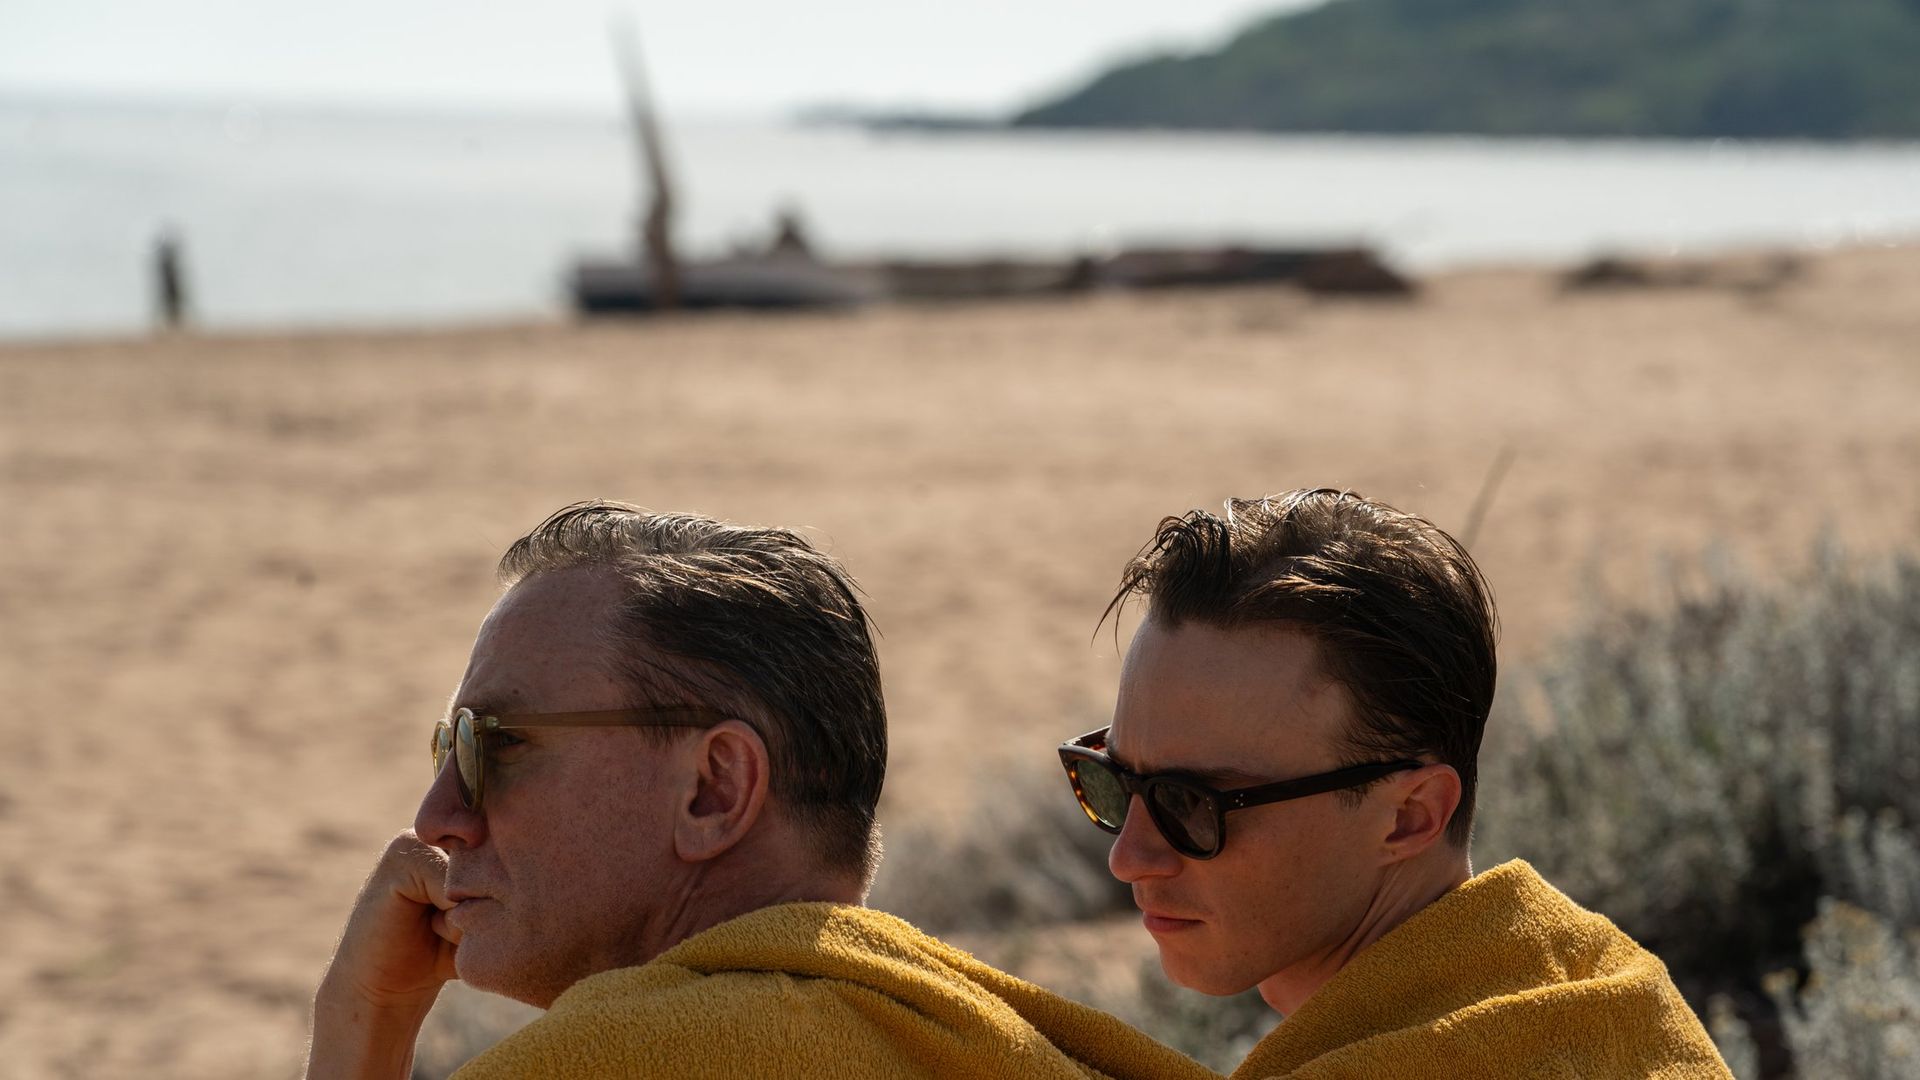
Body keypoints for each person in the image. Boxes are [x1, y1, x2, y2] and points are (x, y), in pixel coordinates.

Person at [307, 501, 1213, 1080]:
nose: (438, 817)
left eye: (493, 745)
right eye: (444, 745)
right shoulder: (984, 1038)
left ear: (713, 789)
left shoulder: (613, 1064)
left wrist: (361, 1038)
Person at [1058, 488, 1732, 1078]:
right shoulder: (1593, 1001)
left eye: (1190, 803)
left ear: (1409, 816)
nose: (1128, 858)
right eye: (1115, 779)